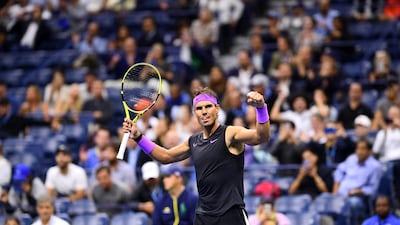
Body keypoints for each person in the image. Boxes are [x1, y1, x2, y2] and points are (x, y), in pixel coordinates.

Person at [123, 88, 271, 225]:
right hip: (204, 216)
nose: (204, 111)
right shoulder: (193, 141)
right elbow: (166, 156)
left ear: (217, 109)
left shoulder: (230, 133)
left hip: (231, 215)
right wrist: (139, 138)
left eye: (208, 106)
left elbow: (261, 137)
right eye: (199, 108)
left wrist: (261, 109)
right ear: (195, 113)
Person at [333, 139, 382, 225]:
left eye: (363, 149)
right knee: (323, 198)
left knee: (352, 203)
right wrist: (336, 187)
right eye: (358, 149)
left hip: (359, 198)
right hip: (340, 194)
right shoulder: (351, 159)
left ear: (369, 151)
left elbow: (373, 188)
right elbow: (339, 170)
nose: (359, 152)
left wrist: (358, 191)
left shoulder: (375, 166)